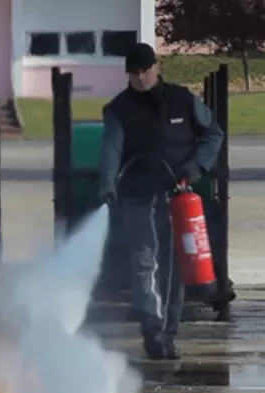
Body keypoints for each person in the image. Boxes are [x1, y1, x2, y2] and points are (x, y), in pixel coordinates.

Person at [97, 42, 224, 360]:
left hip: (178, 197)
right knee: (144, 264)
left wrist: (195, 168)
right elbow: (111, 149)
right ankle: (152, 331)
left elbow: (213, 134)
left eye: (145, 70)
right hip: (138, 197)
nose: (140, 77)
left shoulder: (183, 100)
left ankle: (168, 332)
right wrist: (107, 185)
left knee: (174, 268)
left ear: (157, 67)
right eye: (134, 73)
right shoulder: (118, 109)